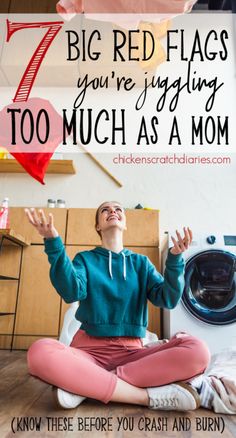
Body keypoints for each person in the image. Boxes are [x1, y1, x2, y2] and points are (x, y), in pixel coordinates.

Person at [25, 202, 210, 411]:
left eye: (118, 209)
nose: (112, 211)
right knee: (39, 352)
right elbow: (71, 292)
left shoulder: (141, 264)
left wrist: (175, 259)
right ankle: (143, 397)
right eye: (105, 210)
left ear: (125, 223)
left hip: (133, 356)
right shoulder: (85, 260)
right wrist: (53, 243)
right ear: (98, 226)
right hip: (88, 354)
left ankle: (85, 386)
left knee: (199, 351)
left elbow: (167, 299)